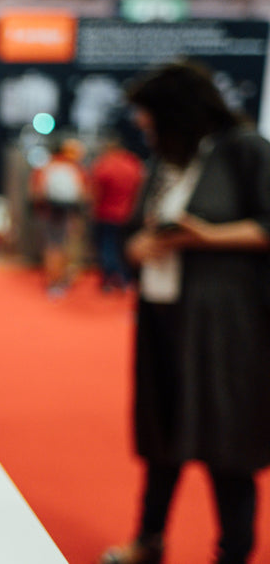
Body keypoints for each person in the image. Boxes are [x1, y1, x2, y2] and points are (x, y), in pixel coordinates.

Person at [99, 61, 270, 564]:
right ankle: (148, 541)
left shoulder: (244, 150)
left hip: (228, 329)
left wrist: (208, 237)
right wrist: (138, 247)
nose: (143, 126)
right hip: (162, 316)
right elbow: (133, 232)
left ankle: (233, 552)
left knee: (229, 445)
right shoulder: (166, 159)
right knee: (160, 435)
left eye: (149, 116)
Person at [30, 137, 89, 296]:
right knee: (63, 244)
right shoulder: (74, 169)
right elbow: (83, 193)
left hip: (51, 211)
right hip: (68, 212)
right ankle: (60, 279)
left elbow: (37, 191)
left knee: (52, 245)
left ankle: (53, 281)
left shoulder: (47, 166)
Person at [89, 132, 145, 291]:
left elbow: (95, 191)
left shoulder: (104, 164)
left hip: (106, 213)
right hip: (130, 214)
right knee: (124, 247)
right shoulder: (133, 163)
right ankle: (126, 278)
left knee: (107, 247)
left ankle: (110, 278)